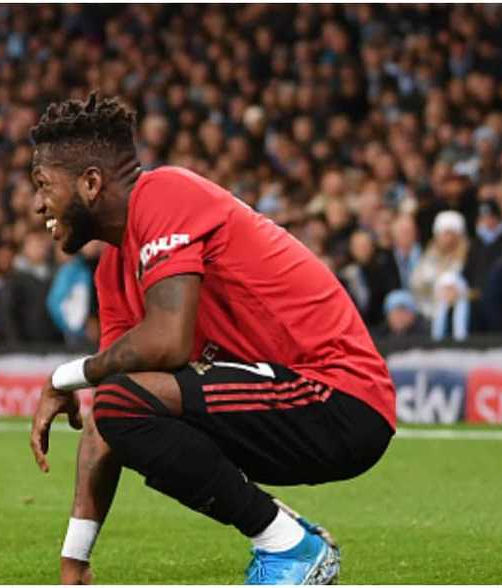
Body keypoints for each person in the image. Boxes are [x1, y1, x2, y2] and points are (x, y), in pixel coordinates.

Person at [28, 94, 395, 585]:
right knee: (120, 407)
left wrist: (64, 377)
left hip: (339, 396)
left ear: (91, 183)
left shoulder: (164, 195)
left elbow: (168, 342)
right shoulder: (114, 269)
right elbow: (110, 415)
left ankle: (289, 547)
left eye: (43, 185)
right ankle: (286, 536)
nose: (38, 204)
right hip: (281, 404)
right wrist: (75, 559)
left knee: (121, 400)